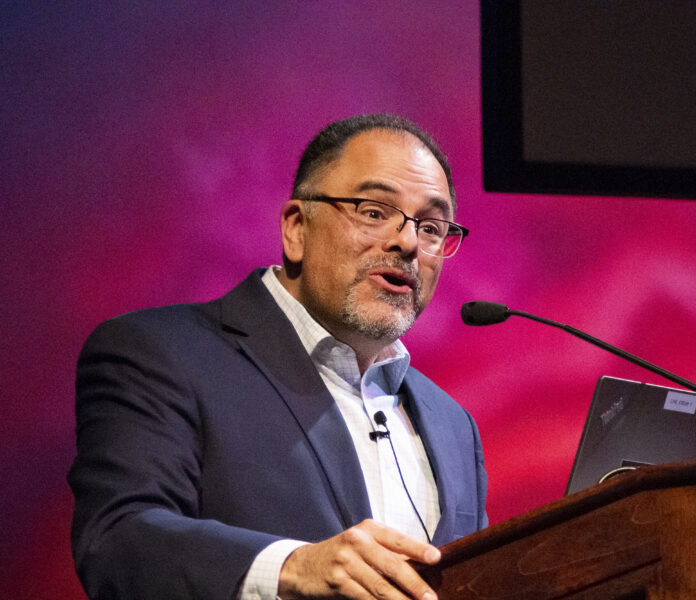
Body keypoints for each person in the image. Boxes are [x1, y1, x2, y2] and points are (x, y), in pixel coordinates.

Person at [68, 114, 488, 600]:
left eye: (432, 227)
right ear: (296, 229)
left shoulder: (455, 425)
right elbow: (117, 541)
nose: (409, 242)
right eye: (374, 211)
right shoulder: (161, 354)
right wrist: (292, 567)